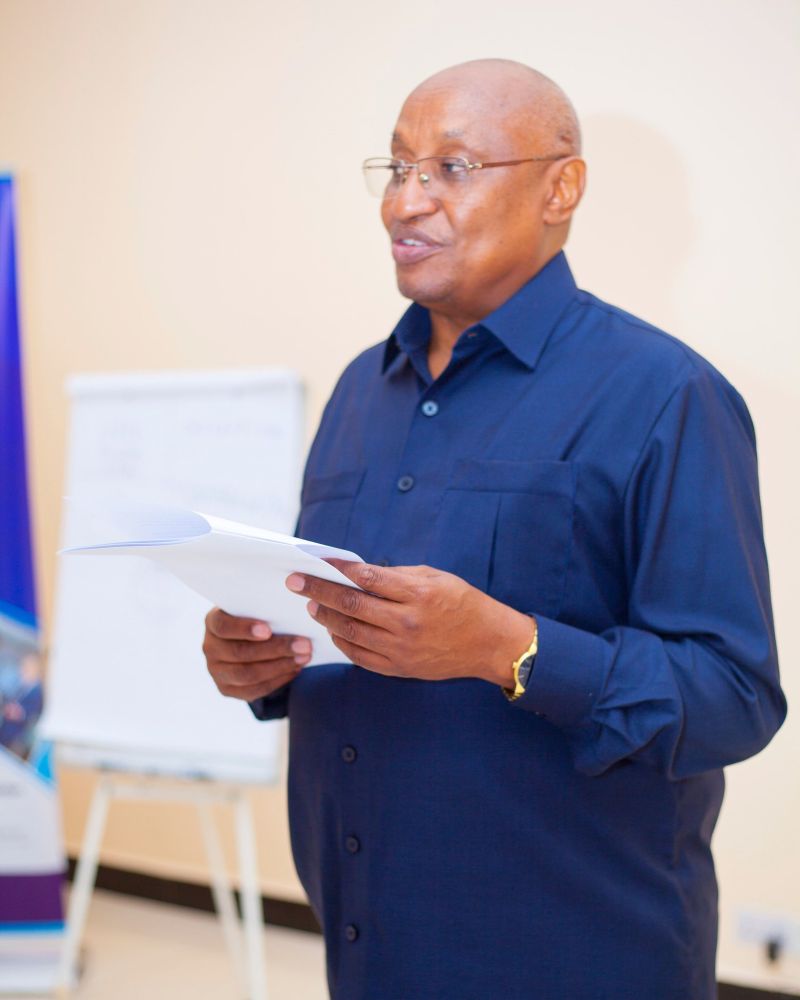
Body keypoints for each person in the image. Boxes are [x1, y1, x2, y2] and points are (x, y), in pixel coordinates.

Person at [203, 59, 786, 1000]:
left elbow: (733, 696)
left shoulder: (666, 393)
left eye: (453, 167)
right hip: (368, 945)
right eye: (397, 168)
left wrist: (507, 649)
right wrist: (265, 661)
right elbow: (337, 625)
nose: (405, 202)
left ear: (561, 188)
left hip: (576, 957)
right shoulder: (359, 390)